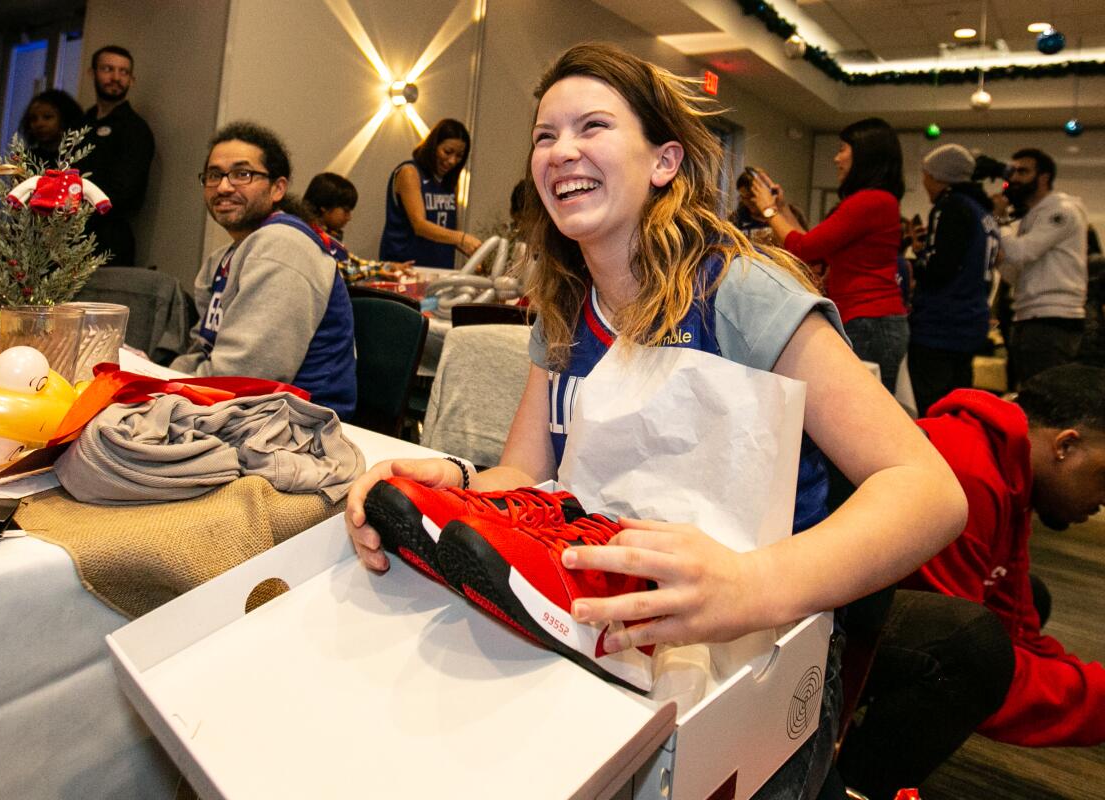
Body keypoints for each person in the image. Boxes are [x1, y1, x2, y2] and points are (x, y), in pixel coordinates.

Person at [346, 43, 966, 799]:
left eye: (593, 127)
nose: (562, 150)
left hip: (758, 657)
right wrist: (460, 479)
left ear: (664, 161)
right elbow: (528, 471)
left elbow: (929, 490)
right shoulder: (566, 301)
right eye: (545, 135)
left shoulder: (742, 291)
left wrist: (751, 583)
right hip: (614, 626)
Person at [841, 366, 1105, 797]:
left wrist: (1089, 684)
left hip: (867, 610)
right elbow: (976, 653)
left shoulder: (1012, 476)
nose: (1104, 499)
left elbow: (1016, 624)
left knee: (1031, 599)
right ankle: (853, 782)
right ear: (1067, 445)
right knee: (969, 653)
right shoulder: (968, 471)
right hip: (821, 626)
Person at [171, 122, 356, 419]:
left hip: (295, 428)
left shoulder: (282, 247)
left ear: (277, 188)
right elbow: (202, 350)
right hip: (238, 413)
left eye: (242, 174)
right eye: (214, 175)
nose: (224, 186)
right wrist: (157, 382)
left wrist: (165, 392)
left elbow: (245, 379)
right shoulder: (224, 257)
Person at [751, 119, 909, 391]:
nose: (837, 158)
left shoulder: (869, 201)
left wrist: (769, 211)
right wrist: (783, 209)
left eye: (842, 149)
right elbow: (811, 248)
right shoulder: (876, 201)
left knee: (860, 409)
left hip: (869, 321)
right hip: (871, 320)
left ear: (864, 154)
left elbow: (802, 248)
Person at [907, 144, 1000, 415]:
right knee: (956, 408)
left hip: (940, 325)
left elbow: (940, 269)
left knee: (930, 410)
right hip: (970, 322)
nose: (924, 181)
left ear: (937, 176)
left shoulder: (950, 206)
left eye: (926, 174)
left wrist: (916, 266)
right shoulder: (984, 213)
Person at [994, 148, 1089, 388]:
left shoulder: (1062, 210)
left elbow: (1021, 252)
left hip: (1052, 320)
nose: (1013, 178)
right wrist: (1001, 257)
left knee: (1048, 396)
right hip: (1029, 316)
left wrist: (1001, 221)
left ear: (1044, 178)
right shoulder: (1031, 217)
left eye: (1023, 171)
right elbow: (1013, 273)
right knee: (1031, 393)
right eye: (1012, 171)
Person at [78, 45, 155, 266]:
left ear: (132, 79)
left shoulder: (135, 129)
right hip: (65, 238)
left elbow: (124, 193)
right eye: (108, 69)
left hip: (108, 242)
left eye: (124, 72)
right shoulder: (79, 123)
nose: (116, 77)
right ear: (92, 73)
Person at [378, 118, 482, 268]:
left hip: (440, 268)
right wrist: (461, 238)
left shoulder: (450, 182)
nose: (452, 161)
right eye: (447, 152)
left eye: (459, 156)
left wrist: (471, 252)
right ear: (433, 146)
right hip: (406, 267)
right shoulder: (410, 172)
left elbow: (448, 230)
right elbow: (419, 225)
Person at [18, 89, 84, 166]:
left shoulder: (77, 157)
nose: (39, 124)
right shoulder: (26, 159)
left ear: (64, 120)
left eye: (47, 117)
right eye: (33, 118)